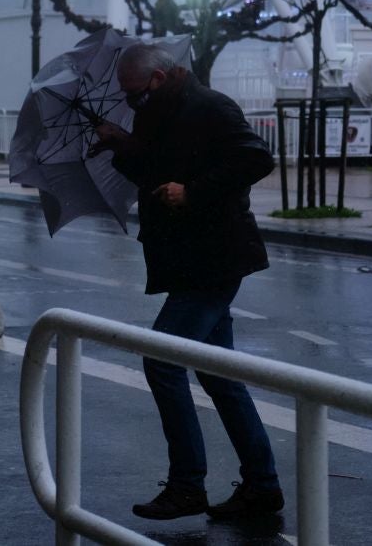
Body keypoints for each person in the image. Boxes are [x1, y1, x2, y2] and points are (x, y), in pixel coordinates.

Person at [92, 43, 283, 522]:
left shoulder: (209, 106)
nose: (131, 101)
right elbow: (158, 173)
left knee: (162, 359)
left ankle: (187, 485)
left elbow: (257, 158)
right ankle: (261, 487)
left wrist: (192, 192)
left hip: (214, 258)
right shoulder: (159, 114)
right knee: (218, 374)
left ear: (157, 79)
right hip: (190, 260)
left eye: (133, 93)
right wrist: (123, 145)